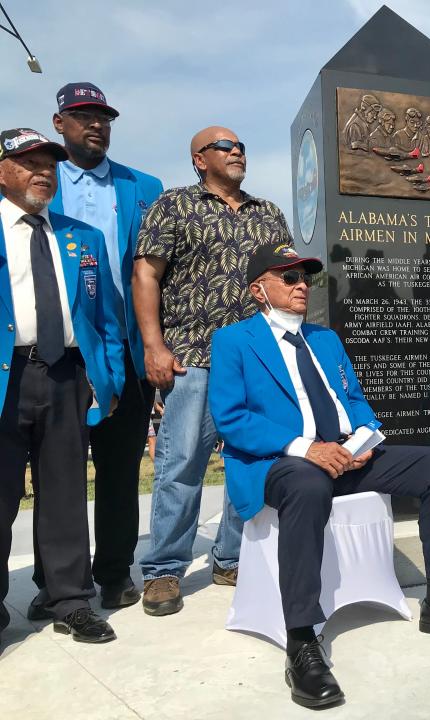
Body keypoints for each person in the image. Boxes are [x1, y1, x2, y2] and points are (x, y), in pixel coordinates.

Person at [209, 242, 430, 708]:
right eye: (289, 277)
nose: (302, 283)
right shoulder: (234, 341)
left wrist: (362, 441)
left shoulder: (325, 340)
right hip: (282, 462)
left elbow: (357, 402)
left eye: (306, 276)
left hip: (345, 458)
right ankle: (302, 640)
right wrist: (308, 449)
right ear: (258, 289)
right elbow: (231, 418)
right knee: (307, 485)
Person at [133, 126, 294, 615]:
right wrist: (153, 344)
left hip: (257, 360)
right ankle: (163, 570)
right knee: (182, 464)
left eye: (241, 144)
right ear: (200, 159)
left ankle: (230, 557)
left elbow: (286, 282)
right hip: (194, 356)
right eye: (225, 146)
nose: (237, 150)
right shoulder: (174, 204)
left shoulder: (268, 213)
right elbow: (146, 273)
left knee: (252, 459)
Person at [0, 128, 123, 645]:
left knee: (67, 494)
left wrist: (108, 378)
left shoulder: (81, 236)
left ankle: (69, 599)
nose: (43, 172)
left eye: (49, 163)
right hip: (8, 378)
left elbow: (106, 319)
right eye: (28, 162)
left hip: (67, 377)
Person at [44, 82, 163, 611]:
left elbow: (161, 269)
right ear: (59, 123)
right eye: (82, 115)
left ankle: (114, 573)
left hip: (125, 353)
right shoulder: (39, 181)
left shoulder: (144, 186)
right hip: (60, 352)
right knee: (58, 474)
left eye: (103, 116)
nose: (96, 124)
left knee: (119, 472)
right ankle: (57, 583)